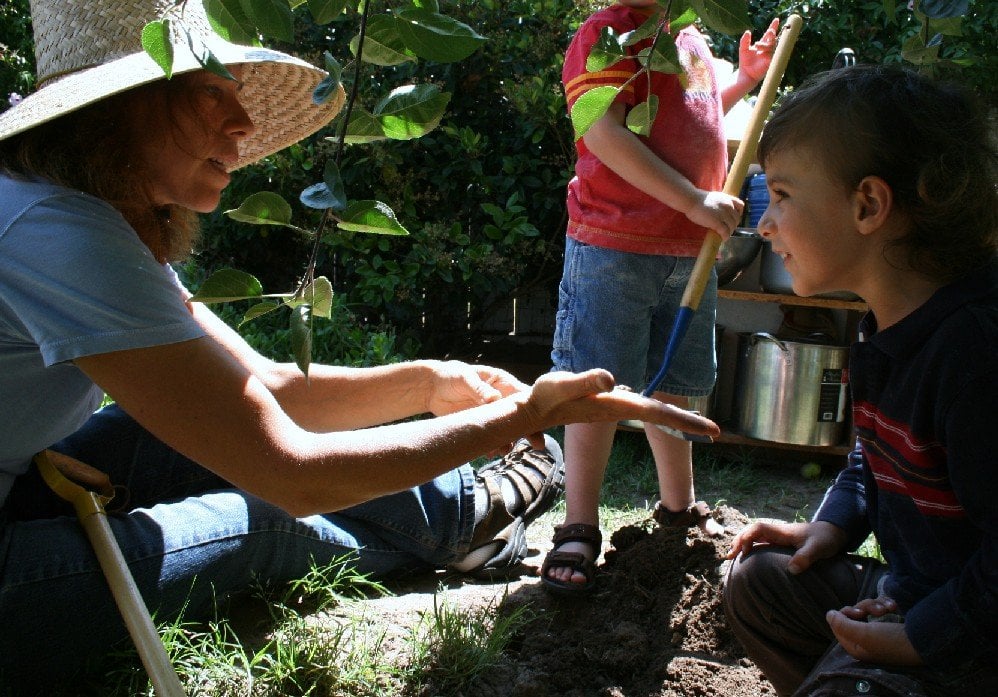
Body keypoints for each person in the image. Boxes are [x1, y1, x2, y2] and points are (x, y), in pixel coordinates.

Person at [0, 0, 721, 688]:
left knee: (164, 438)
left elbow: (264, 388)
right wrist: (518, 419)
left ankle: (464, 510)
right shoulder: (56, 232)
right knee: (266, 518)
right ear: (121, 111)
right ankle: (467, 517)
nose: (244, 120)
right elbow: (289, 471)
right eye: (211, 92)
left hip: (23, 484)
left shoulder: (74, 207)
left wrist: (431, 381)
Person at [722, 64, 997, 696]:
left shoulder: (975, 356)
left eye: (783, 195)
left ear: (868, 205)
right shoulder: (884, 328)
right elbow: (872, 457)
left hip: (976, 624)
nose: (765, 223)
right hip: (917, 594)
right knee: (759, 580)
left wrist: (921, 635)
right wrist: (831, 526)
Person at [542, 1, 778, 594]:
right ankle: (579, 523)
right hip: (614, 245)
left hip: (686, 251)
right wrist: (696, 202)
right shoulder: (608, 34)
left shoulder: (688, 37)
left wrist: (742, 81)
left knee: (674, 382)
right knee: (595, 387)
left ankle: (680, 512)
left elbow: (688, 122)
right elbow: (603, 132)